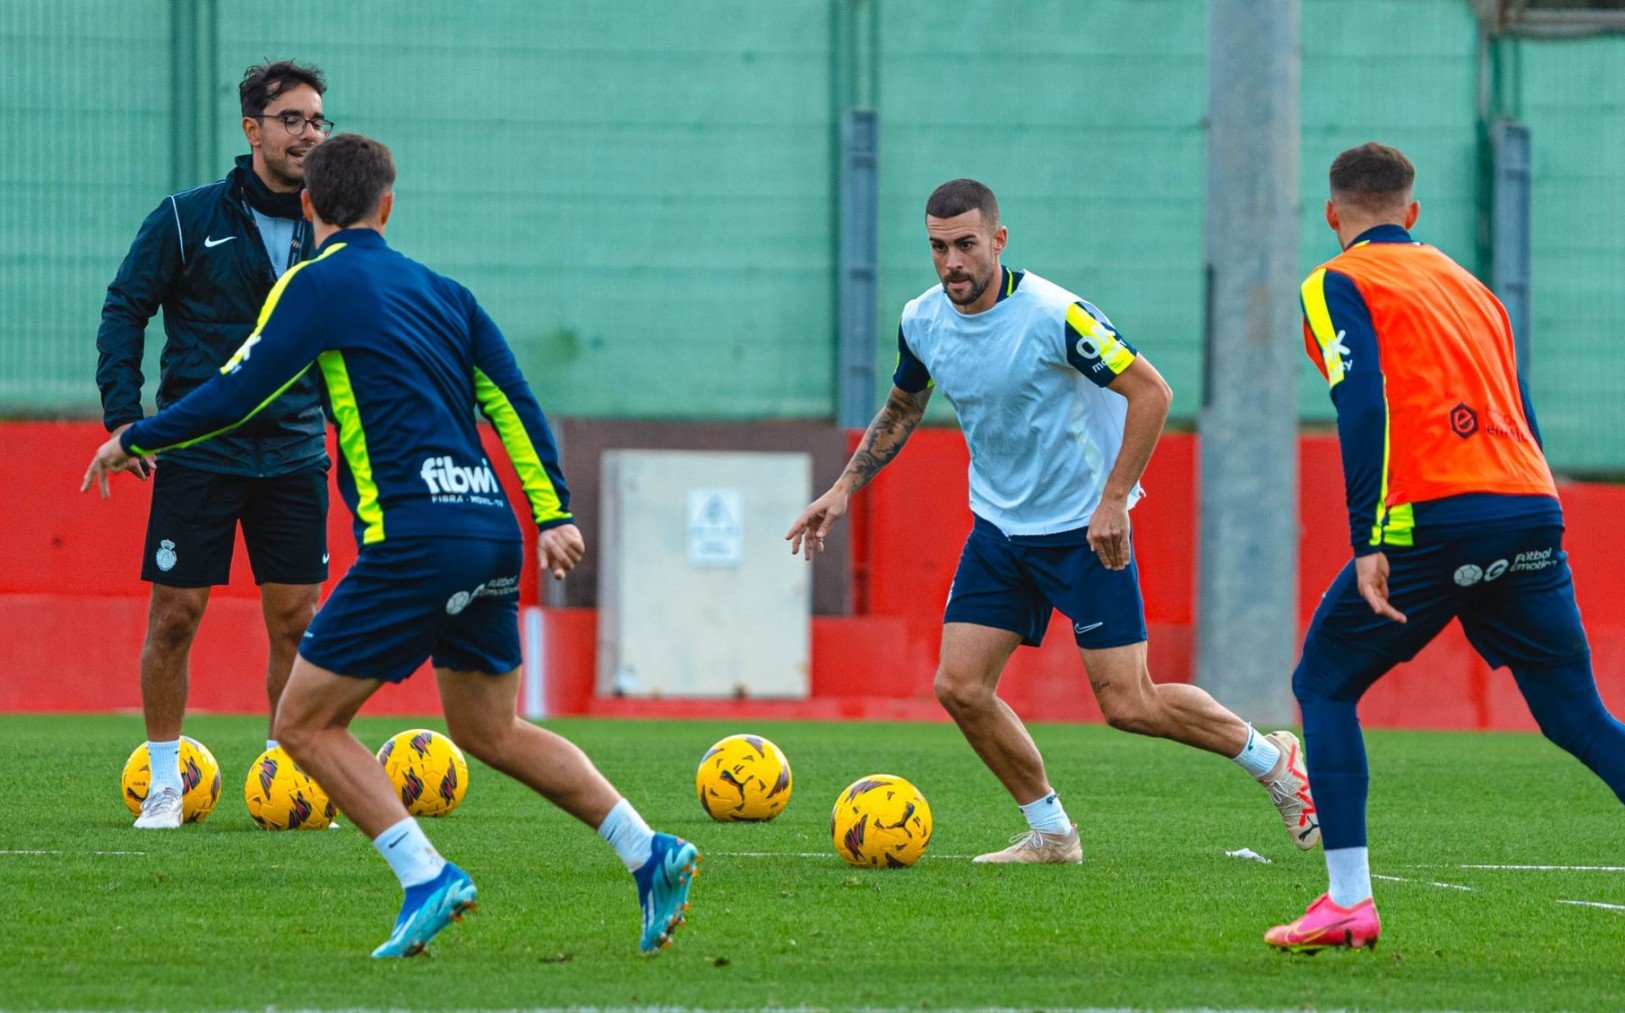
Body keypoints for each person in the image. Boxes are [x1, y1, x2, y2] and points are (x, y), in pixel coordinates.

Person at [83, 133, 698, 960]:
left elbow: (238, 391)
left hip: (414, 536)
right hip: (489, 528)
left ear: (309, 206)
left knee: (301, 724)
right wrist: (551, 511)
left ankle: (426, 874)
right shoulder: (447, 291)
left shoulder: (313, 283)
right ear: (389, 205)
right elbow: (512, 401)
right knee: (490, 729)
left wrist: (137, 437)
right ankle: (648, 850)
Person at [1263, 142, 1625, 973]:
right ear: (1413, 214)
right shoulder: (1475, 289)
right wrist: (1540, 523)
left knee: (1324, 681)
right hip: (1529, 507)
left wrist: (1369, 538)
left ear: (1332, 215)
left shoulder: (1335, 281)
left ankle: (1348, 900)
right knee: (1579, 716)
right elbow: (1520, 409)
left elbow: (1362, 404)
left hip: (1434, 515)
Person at [787, 179, 1318, 863]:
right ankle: (1052, 832)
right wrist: (842, 490)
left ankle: (1273, 761)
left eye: (966, 245)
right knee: (960, 686)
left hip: (1081, 533)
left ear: (999, 241)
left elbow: (1152, 392)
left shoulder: (1053, 315)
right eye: (939, 247)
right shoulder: (922, 320)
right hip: (1000, 534)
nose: (952, 262)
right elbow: (901, 407)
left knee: (1129, 702)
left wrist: (1114, 499)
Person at [96, 61, 334, 830]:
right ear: (252, 129)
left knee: (296, 622)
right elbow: (125, 307)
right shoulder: (185, 217)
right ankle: (166, 782)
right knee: (175, 615)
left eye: (318, 120)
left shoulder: (332, 225)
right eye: (293, 119)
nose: (309, 133)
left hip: (296, 451)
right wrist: (123, 419)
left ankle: (287, 777)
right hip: (199, 451)